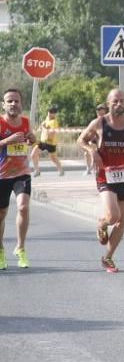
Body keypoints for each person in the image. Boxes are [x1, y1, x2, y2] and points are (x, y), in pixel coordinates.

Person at [77, 89, 124, 273]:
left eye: (122, 101)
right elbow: (81, 140)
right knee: (113, 216)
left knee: (122, 220)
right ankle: (102, 223)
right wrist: (92, 151)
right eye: (115, 101)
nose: (119, 104)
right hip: (105, 176)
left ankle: (107, 257)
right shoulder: (100, 123)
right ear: (108, 103)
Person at [0, 88, 37, 269]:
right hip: (2, 175)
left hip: (22, 173)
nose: (13, 104)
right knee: (1, 214)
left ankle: (20, 248)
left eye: (16, 101)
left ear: (21, 104)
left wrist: (32, 138)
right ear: (4, 104)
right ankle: (0, 251)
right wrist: (7, 141)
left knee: (23, 207)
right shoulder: (0, 122)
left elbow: (32, 140)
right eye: (10, 101)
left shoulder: (25, 121)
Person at [31, 105, 64, 177]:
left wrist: (43, 127)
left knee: (53, 158)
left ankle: (61, 170)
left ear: (55, 114)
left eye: (52, 112)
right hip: (43, 142)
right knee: (33, 154)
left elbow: (52, 133)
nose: (50, 113)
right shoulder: (47, 119)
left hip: (51, 143)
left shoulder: (54, 122)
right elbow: (43, 127)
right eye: (49, 112)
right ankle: (37, 171)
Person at [83, 103, 110, 176]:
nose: (100, 115)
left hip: (103, 142)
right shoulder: (94, 122)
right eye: (99, 113)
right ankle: (89, 168)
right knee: (87, 153)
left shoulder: (108, 122)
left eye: (102, 113)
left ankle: (95, 168)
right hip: (94, 139)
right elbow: (87, 134)